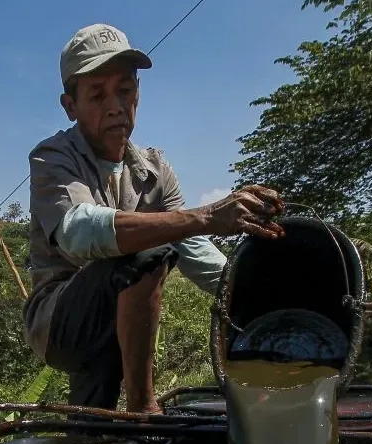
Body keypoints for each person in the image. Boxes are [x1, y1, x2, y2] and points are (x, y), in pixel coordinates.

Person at [24, 23, 286, 413]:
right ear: (70, 106)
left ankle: (93, 437)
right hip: (60, 322)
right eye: (97, 95)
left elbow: (198, 254)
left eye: (125, 91)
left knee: (91, 429)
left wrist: (263, 296)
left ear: (138, 93)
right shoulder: (52, 158)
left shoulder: (155, 169)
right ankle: (142, 408)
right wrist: (207, 216)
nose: (115, 106)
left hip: (120, 320)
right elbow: (79, 232)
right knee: (143, 254)